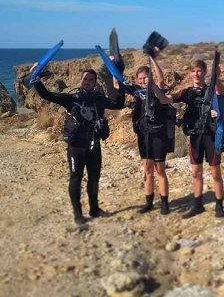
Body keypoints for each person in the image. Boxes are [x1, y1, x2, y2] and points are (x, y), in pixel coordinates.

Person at [30, 67, 125, 224]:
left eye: (91, 80)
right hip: (76, 147)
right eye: (85, 79)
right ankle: (78, 213)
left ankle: (94, 209)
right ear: (81, 81)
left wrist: (120, 87)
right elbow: (47, 95)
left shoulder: (99, 99)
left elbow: (118, 104)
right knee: (76, 178)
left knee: (94, 179)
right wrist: (37, 80)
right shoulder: (71, 98)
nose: (87, 82)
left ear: (95, 83)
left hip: (94, 145)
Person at [156, 59, 224, 218]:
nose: (196, 74)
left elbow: (221, 91)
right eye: (193, 71)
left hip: (211, 137)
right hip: (195, 138)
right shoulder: (186, 93)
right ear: (190, 73)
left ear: (205, 72)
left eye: (199, 70)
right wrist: (154, 87)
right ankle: (197, 204)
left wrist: (217, 77)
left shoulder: (212, 89)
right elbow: (165, 99)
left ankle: (219, 205)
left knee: (215, 173)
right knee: (196, 173)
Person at [128, 54, 175, 215]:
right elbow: (118, 83)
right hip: (143, 136)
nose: (143, 81)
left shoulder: (156, 89)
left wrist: (152, 59)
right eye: (140, 79)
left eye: (145, 78)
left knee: (159, 169)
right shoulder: (135, 91)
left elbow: (161, 79)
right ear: (137, 80)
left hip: (158, 135)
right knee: (147, 169)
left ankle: (164, 203)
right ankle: (148, 202)